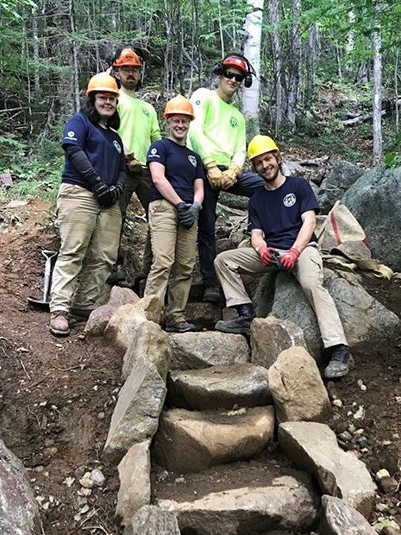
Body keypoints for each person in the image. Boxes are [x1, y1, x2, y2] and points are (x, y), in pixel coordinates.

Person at [214, 135, 350, 378]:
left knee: (312, 284)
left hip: (302, 249)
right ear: (254, 167)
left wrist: (295, 251)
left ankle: (338, 348)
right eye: (258, 163)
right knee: (224, 260)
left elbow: (309, 222)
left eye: (268, 159)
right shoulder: (257, 199)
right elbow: (256, 234)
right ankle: (245, 314)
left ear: (277, 158)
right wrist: (261, 249)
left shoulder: (298, 186)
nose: (265, 166)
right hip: (273, 253)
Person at [49, 73, 126, 336]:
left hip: (107, 200)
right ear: (91, 99)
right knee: (73, 250)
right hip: (80, 191)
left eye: (112, 98)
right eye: (102, 97)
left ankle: (82, 307)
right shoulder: (79, 122)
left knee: (105, 255)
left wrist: (116, 188)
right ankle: (59, 308)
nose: (107, 102)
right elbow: (73, 150)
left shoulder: (115, 137)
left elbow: (122, 169)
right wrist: (95, 181)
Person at [187, 53, 265, 303]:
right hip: (203, 165)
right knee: (207, 225)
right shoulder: (203, 97)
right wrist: (209, 165)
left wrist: (235, 170)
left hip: (228, 170)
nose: (233, 79)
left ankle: (261, 235)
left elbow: (241, 148)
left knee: (265, 187)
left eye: (238, 77)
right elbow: (194, 129)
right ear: (220, 75)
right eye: (229, 74)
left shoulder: (238, 117)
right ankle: (210, 281)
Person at [144, 95, 204, 333]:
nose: (180, 125)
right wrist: (180, 204)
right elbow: (158, 178)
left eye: (184, 121)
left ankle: (176, 316)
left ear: (189, 123)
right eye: (176, 120)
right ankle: (150, 315)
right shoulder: (160, 147)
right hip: (165, 206)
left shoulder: (194, 157)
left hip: (189, 211)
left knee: (185, 266)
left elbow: (199, 188)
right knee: (163, 261)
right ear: (167, 121)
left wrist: (195, 207)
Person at [112, 46, 161, 290]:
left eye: (134, 70)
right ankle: (113, 268)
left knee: (158, 217)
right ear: (117, 72)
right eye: (126, 69)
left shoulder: (148, 108)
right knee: (114, 218)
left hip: (146, 170)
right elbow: (106, 129)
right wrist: (124, 153)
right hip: (120, 168)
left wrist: (159, 165)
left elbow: (156, 140)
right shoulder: (113, 99)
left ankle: (147, 269)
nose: (130, 73)